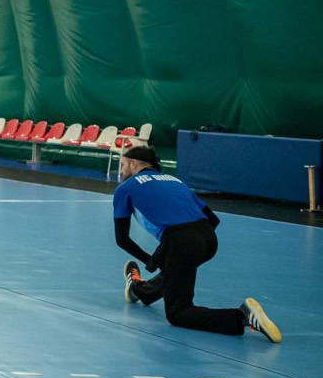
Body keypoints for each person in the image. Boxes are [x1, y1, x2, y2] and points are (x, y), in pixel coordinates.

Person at [115, 145, 279, 341]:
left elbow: (122, 239)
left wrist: (151, 259)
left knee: (178, 313)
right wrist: (185, 247)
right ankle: (138, 290)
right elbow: (213, 219)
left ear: (133, 163)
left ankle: (242, 316)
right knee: (175, 269)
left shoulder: (126, 187)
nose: (122, 169)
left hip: (180, 241)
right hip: (208, 240)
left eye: (123, 164)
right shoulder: (175, 181)